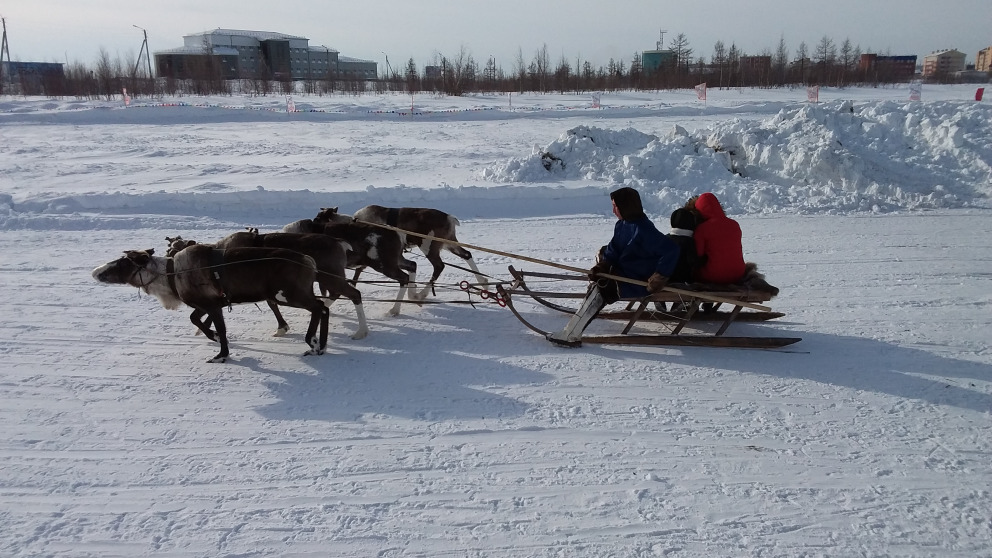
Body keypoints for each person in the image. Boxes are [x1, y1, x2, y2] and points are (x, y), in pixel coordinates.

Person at [547, 187, 681, 347]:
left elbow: (671, 250)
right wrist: (602, 267)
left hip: (637, 281)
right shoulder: (622, 225)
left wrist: (659, 277)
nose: (613, 211)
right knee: (597, 285)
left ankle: (571, 335)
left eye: (615, 206)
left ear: (626, 206)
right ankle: (572, 331)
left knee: (600, 291)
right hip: (622, 275)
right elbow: (613, 250)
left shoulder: (645, 230)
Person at [692, 192, 745, 284]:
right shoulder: (734, 224)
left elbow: (698, 255)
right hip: (738, 273)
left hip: (712, 276)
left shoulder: (702, 229)